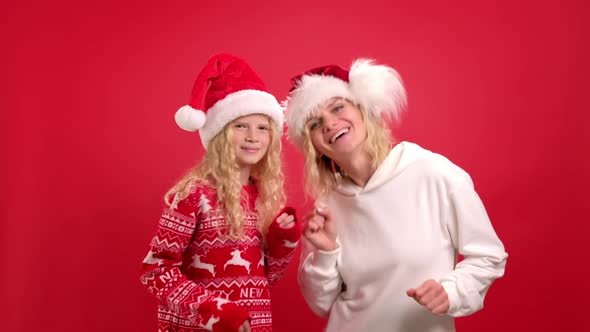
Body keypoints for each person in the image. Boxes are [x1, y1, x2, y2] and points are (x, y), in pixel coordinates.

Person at [282, 58, 507, 332]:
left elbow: (489, 257)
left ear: (364, 109)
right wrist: (326, 252)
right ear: (313, 144)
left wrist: (452, 291)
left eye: (338, 107)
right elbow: (321, 304)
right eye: (315, 123)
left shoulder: (433, 173)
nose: (329, 124)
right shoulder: (328, 206)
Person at [140, 53, 300, 332]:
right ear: (220, 134)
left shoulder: (264, 197)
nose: (253, 136)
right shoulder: (193, 196)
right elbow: (156, 271)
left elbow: (266, 279)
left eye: (263, 128)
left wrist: (279, 244)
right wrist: (215, 312)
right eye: (241, 126)